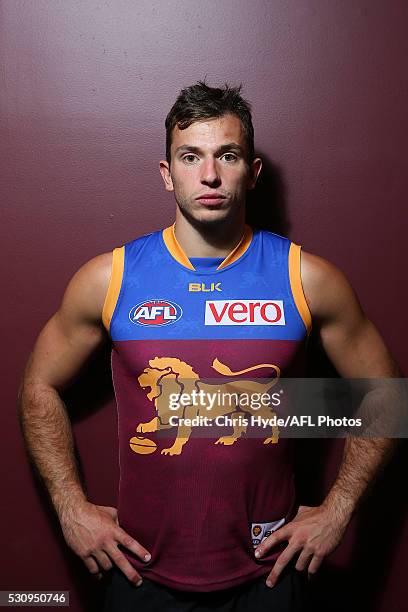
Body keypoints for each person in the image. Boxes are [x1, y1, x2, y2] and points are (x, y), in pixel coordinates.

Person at [18, 81, 401, 612]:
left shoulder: (304, 277)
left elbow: (384, 395)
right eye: (190, 157)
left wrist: (338, 508)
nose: (210, 175)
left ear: (253, 171)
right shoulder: (111, 277)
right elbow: (38, 386)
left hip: (270, 574)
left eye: (227, 155)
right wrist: (70, 507)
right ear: (166, 173)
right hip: (140, 572)